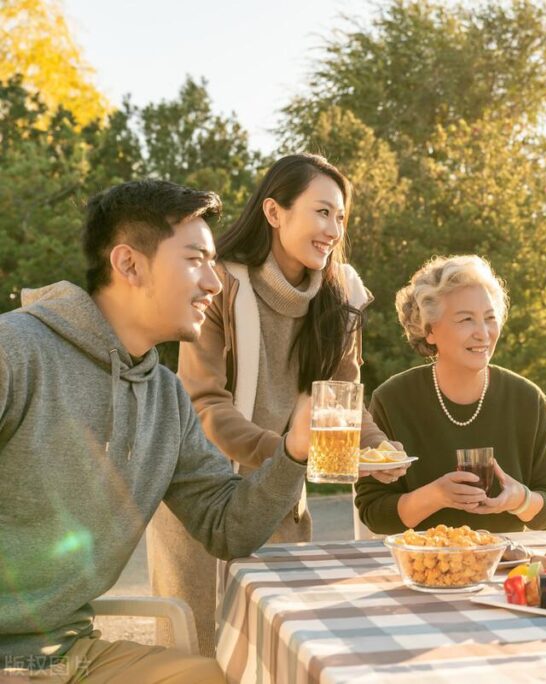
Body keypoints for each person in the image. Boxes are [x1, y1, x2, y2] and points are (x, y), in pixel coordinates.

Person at [0, 180, 311, 682]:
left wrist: (295, 452)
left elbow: (229, 527)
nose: (214, 282)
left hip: (72, 655)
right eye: (195, 260)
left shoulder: (166, 398)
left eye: (214, 263)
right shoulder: (15, 352)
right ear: (128, 264)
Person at [146, 153, 406, 656]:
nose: (334, 229)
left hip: (280, 496)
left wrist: (378, 448)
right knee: (198, 657)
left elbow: (342, 398)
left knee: (276, 650)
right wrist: (288, 452)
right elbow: (203, 400)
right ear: (274, 212)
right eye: (322, 212)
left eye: (341, 217)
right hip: (203, 494)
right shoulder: (217, 283)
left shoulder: (342, 294)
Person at [356, 255, 546, 533]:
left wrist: (518, 499)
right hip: (422, 566)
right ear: (429, 330)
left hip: (503, 568)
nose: (483, 333)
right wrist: (436, 496)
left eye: (490, 318)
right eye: (466, 319)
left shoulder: (528, 399)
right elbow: (375, 514)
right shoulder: (393, 399)